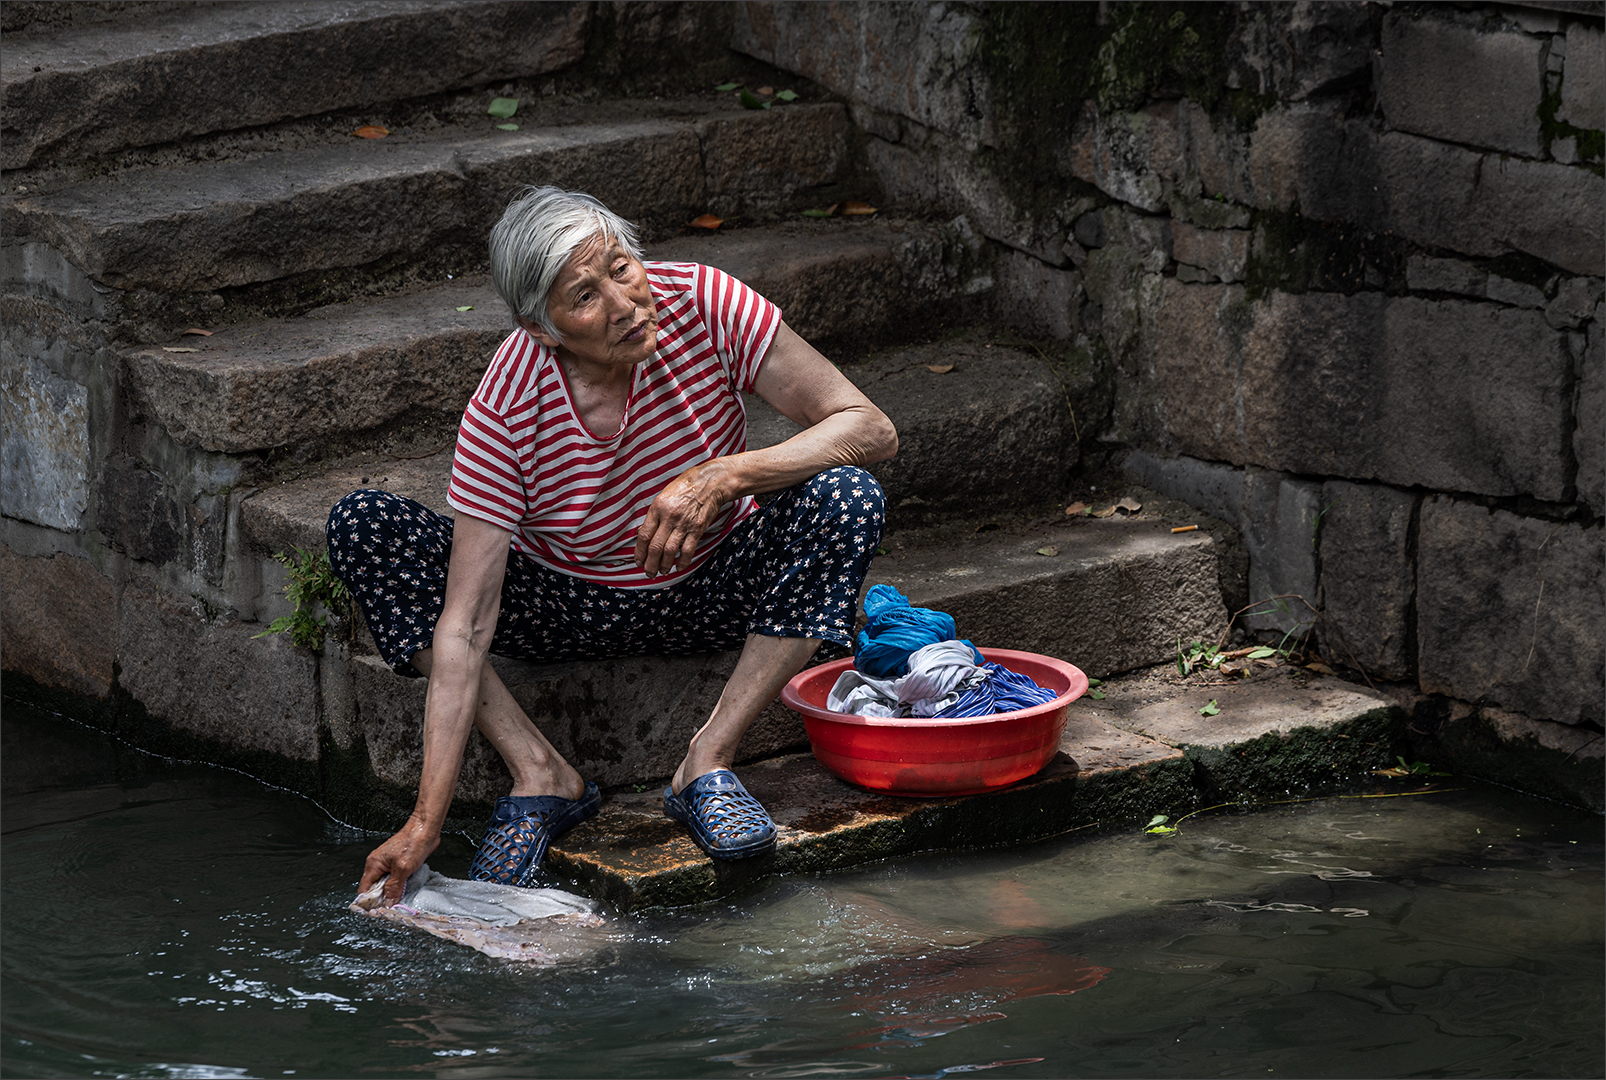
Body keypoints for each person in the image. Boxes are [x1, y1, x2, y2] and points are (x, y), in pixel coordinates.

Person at [328, 186, 897, 903]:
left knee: (846, 497)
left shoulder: (706, 302)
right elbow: (469, 624)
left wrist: (722, 476)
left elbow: (869, 427)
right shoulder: (508, 403)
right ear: (542, 327)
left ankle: (707, 762)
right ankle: (541, 774)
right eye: (585, 296)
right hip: (564, 605)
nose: (626, 304)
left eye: (622, 268)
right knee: (364, 525)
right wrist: (422, 823)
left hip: (712, 581)